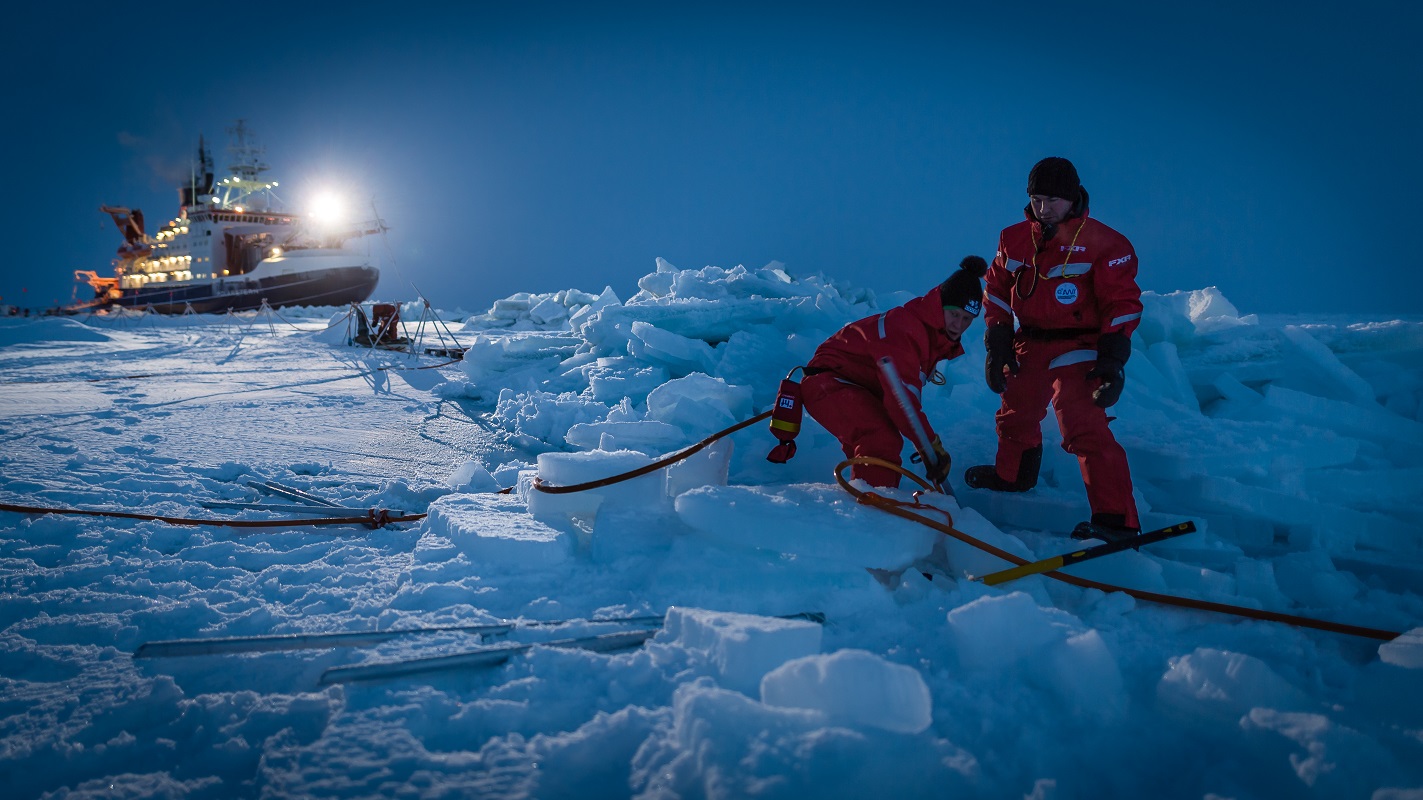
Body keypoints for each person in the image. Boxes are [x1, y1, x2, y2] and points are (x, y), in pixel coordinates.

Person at [963, 157, 1143, 542]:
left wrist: (1112, 360)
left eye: (1053, 201)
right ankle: (1013, 477)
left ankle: (1116, 520)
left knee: (1081, 422)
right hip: (1028, 340)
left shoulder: (1107, 243)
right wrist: (997, 340)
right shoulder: (1012, 237)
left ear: (1073, 198)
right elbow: (995, 291)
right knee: (1015, 411)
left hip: (1079, 344)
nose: (1044, 209)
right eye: (1036, 199)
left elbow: (1122, 303)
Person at [800, 256, 987, 488]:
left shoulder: (928, 340)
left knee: (877, 441)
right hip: (829, 382)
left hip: (852, 386)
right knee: (880, 439)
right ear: (940, 306)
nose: (959, 325)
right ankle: (874, 509)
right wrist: (930, 444)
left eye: (967, 319)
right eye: (954, 314)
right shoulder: (906, 328)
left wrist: (928, 446)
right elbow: (901, 399)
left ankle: (866, 498)